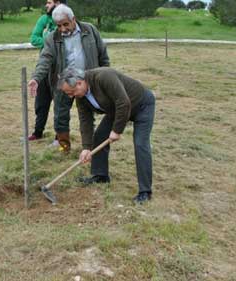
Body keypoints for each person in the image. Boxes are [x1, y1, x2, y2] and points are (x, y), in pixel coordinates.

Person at [57, 67, 155, 204]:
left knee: (140, 144)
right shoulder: (81, 97)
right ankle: (100, 175)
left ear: (79, 82)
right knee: (99, 136)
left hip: (141, 105)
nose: (71, 96)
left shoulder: (103, 77)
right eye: (68, 93)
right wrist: (86, 147)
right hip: (116, 110)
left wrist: (117, 130)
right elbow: (85, 121)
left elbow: (123, 102)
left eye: (72, 92)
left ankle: (145, 192)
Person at [28, 4, 109, 153]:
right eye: (59, 25)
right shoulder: (52, 38)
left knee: (87, 116)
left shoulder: (90, 30)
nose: (63, 29)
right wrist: (36, 78)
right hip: (64, 83)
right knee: (61, 116)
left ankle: (89, 147)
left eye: (66, 24)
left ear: (73, 19)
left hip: (87, 81)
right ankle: (64, 147)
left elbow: (102, 54)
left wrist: (104, 76)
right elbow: (44, 59)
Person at [28, 0, 66, 142]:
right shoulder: (44, 19)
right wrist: (50, 41)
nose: (46, 5)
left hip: (61, 70)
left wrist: (46, 37)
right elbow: (33, 39)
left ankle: (59, 137)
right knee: (41, 102)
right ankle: (38, 132)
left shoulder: (65, 20)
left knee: (60, 105)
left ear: (58, 3)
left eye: (49, 2)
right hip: (44, 68)